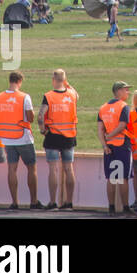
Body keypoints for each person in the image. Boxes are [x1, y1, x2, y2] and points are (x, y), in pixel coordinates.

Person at [0, 71, 42, 209]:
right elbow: (30, 118)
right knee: (31, 168)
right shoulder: (24, 97)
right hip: (23, 137)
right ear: (20, 81)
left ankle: (14, 202)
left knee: (12, 169)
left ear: (9, 80)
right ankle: (33, 201)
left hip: (6, 138)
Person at [39, 69, 78, 210]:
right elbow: (76, 94)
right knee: (69, 168)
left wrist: (43, 130)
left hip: (53, 136)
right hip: (69, 136)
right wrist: (67, 83)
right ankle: (69, 202)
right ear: (65, 80)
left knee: (53, 169)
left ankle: (53, 202)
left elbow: (40, 116)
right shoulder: (72, 95)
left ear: (53, 79)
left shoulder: (49, 96)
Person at [97, 82, 131, 215]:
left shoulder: (103, 108)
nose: (128, 92)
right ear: (119, 91)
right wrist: (110, 136)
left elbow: (100, 129)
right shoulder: (123, 106)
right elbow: (122, 125)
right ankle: (125, 208)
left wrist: (105, 144)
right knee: (123, 178)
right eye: (126, 90)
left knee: (111, 178)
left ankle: (111, 208)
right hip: (122, 145)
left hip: (109, 148)